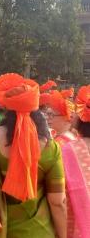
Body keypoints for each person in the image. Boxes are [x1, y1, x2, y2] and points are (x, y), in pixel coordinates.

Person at [0, 74, 67, 238]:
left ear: (8, 108)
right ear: (36, 110)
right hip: (39, 231)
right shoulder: (50, 147)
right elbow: (57, 202)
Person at [46, 86, 90, 238]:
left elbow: (57, 198)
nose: (48, 118)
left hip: (73, 225)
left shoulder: (64, 147)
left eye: (52, 115)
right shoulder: (70, 141)